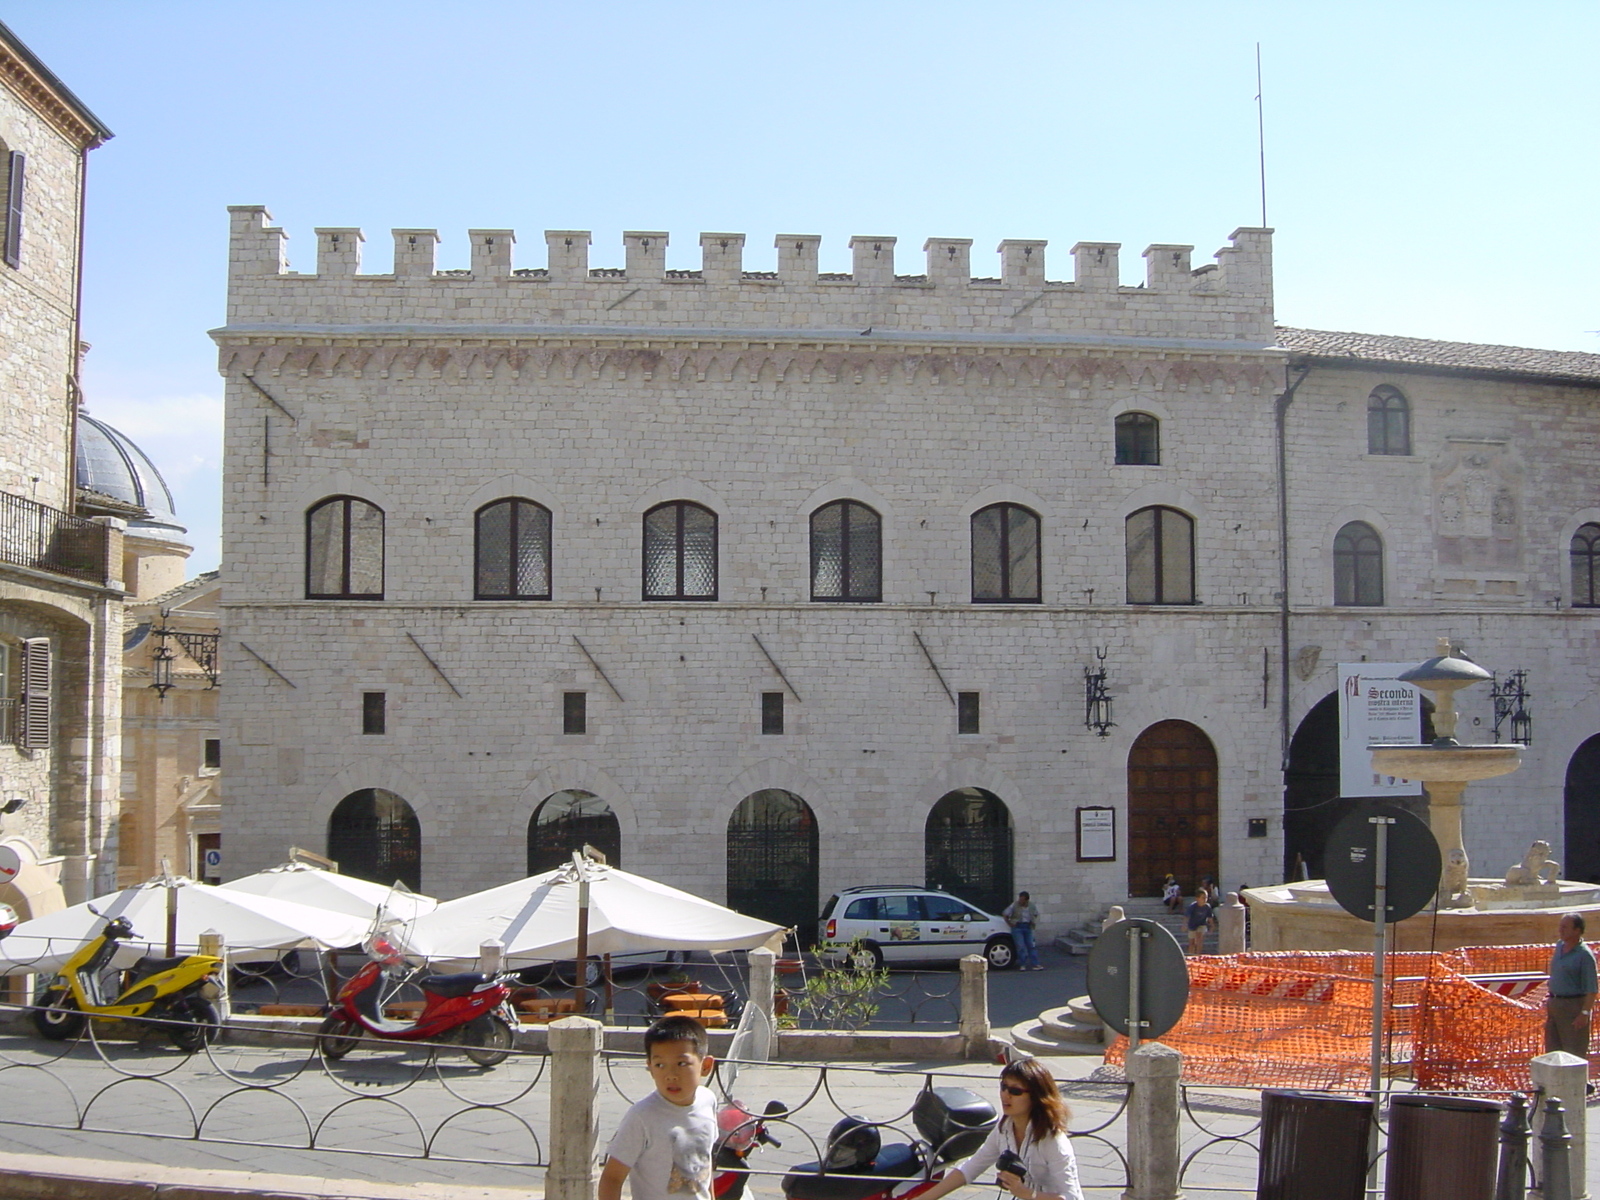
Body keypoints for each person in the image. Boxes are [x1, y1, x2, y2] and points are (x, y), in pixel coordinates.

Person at [917, 1056, 1084, 1200]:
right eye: (1003, 1087)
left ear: (1036, 1097)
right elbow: (970, 1168)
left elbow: (1072, 1197)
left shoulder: (1052, 1140)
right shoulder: (1004, 1129)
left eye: (1015, 1091)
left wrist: (1026, 1193)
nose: (1006, 1094)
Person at [599, 1015, 717, 1200]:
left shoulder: (708, 1100)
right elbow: (612, 1178)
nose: (670, 1075)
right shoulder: (642, 1116)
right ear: (650, 1068)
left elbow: (705, 1163)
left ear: (706, 1066)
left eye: (682, 1064)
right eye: (660, 1065)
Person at [1544, 913, 1596, 1064]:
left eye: (1565, 927)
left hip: (1573, 1007)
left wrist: (1584, 1013)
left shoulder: (1584, 956)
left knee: (1573, 1054)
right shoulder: (1559, 946)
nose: (1561, 930)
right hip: (1555, 1005)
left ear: (1577, 930)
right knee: (1553, 1053)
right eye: (1560, 926)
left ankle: (1577, 1086)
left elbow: (1591, 989)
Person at [1004, 891, 1043, 970]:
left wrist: (1033, 921)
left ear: (1027, 900)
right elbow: (1005, 913)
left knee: (1031, 945)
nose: (1020, 901)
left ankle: (1035, 964)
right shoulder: (1014, 905)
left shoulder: (1031, 906)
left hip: (1028, 926)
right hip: (1017, 927)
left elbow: (1035, 914)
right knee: (1021, 946)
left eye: (1022, 900)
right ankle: (1022, 964)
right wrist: (1010, 923)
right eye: (1020, 899)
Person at [1185, 888, 1214, 956]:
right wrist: (1185, 925)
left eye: (1206, 897)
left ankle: (1198, 955)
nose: (1205, 899)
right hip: (1192, 925)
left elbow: (1210, 917)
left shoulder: (1207, 907)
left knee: (1199, 937)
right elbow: (1187, 917)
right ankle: (1191, 955)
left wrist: (1212, 926)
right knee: (1192, 942)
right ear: (1197, 899)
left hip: (1202, 924)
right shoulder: (1192, 906)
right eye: (1203, 898)